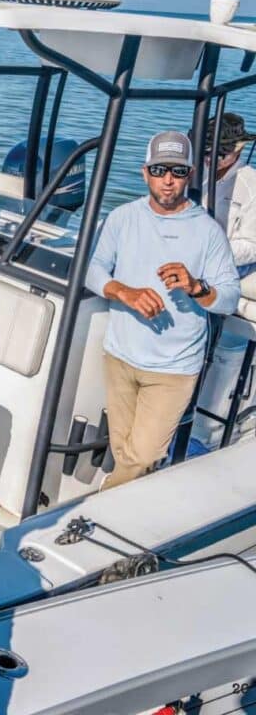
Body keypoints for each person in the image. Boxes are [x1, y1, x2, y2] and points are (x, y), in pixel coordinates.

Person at [86, 131, 240, 490]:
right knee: (124, 451)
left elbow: (229, 298)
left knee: (143, 458)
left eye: (178, 171)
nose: (168, 180)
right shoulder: (122, 218)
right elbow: (94, 269)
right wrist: (122, 290)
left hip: (173, 369)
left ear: (189, 175)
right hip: (120, 357)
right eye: (159, 169)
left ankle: (94, 517)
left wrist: (196, 286)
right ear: (145, 173)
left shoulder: (207, 231)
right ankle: (125, 521)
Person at [204, 113, 256, 280]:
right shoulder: (191, 173)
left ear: (239, 149)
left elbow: (253, 246)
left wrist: (210, 251)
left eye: (220, 154)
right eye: (205, 151)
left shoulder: (251, 185)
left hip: (231, 262)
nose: (210, 159)